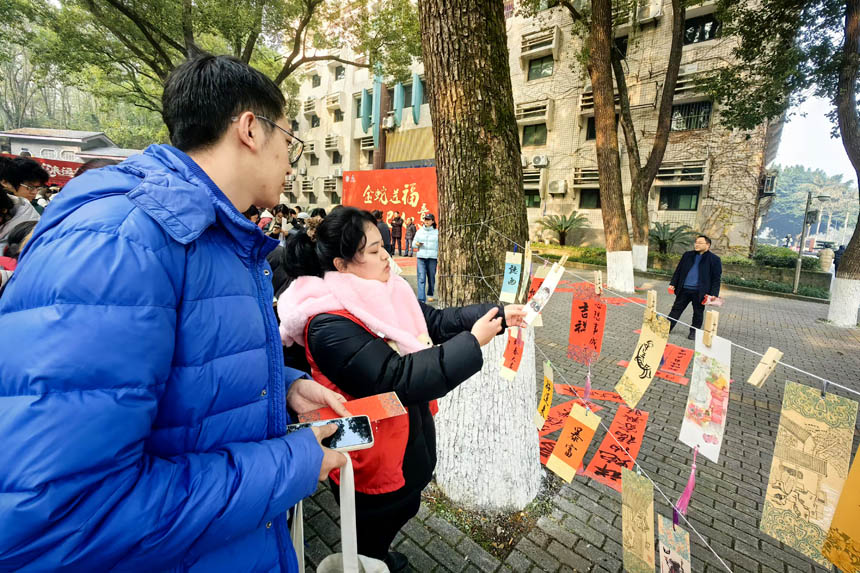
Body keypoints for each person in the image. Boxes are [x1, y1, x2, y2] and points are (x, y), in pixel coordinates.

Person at [0, 54, 349, 572]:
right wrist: (290, 465)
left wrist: (281, 384)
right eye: (289, 140)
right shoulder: (116, 243)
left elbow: (181, 373)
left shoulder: (212, 235)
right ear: (250, 129)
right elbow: (64, 515)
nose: (292, 160)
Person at [277, 206, 526, 572]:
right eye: (375, 251)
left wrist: (498, 314)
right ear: (341, 265)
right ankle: (374, 561)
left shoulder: (386, 292)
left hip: (408, 437)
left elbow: (436, 321)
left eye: (383, 245)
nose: (386, 256)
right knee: (371, 531)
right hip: (372, 457)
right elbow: (397, 378)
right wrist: (472, 344)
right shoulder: (327, 324)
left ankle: (381, 557)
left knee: (404, 507)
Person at [667, 234, 722, 340]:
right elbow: (678, 270)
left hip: (700, 292)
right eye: (696, 242)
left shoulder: (714, 259)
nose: (696, 244)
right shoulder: (687, 255)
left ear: (708, 245)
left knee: (698, 313)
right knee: (676, 310)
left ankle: (694, 332)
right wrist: (673, 283)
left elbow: (716, 279)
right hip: (684, 289)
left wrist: (713, 295)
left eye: (700, 243)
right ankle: (666, 328)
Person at [413, 213, 439, 303]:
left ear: (432, 221)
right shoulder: (419, 231)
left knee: (431, 277)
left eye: (428, 219)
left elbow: (440, 246)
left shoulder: (437, 232)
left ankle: (430, 294)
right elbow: (413, 244)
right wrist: (417, 244)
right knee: (421, 278)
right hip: (421, 257)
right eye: (425, 219)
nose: (426, 221)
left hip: (432, 258)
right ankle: (421, 299)